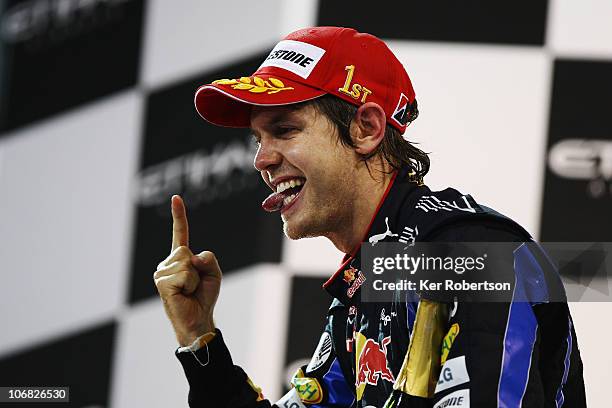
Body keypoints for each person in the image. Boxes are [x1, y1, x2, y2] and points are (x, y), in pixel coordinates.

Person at [153, 27, 586, 407]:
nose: (261, 160)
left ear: (367, 129)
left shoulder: (472, 253)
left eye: (285, 130)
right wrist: (198, 334)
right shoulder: (369, 286)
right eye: (257, 139)